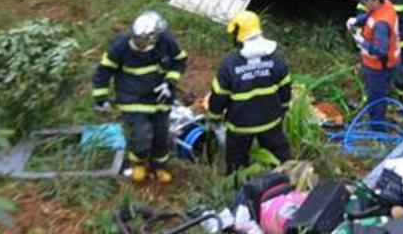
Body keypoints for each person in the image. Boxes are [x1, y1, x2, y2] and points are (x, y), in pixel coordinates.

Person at [92, 10, 188, 183]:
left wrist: (169, 83)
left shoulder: (166, 41)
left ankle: (159, 166)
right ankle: (138, 164)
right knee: (141, 134)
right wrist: (101, 98)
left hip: (160, 98)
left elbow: (179, 61)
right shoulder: (121, 45)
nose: (142, 45)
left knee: (161, 134)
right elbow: (103, 71)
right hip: (132, 97)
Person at [208, 10, 293, 174]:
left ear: (239, 34)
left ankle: (239, 190)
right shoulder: (276, 58)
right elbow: (285, 89)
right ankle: (284, 186)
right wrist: (282, 110)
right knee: (280, 158)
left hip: (240, 126)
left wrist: (214, 119)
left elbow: (218, 95)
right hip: (271, 122)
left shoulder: (230, 64)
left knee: (236, 164)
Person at [347, 0, 401, 121]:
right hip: (377, 64)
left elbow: (381, 51)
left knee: (377, 97)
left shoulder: (381, 25)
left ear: (376, 1)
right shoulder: (385, 5)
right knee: (375, 93)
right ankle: (375, 118)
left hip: (379, 67)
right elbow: (371, 15)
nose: (364, 3)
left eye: (367, 0)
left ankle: (377, 130)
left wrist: (362, 42)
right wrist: (357, 20)